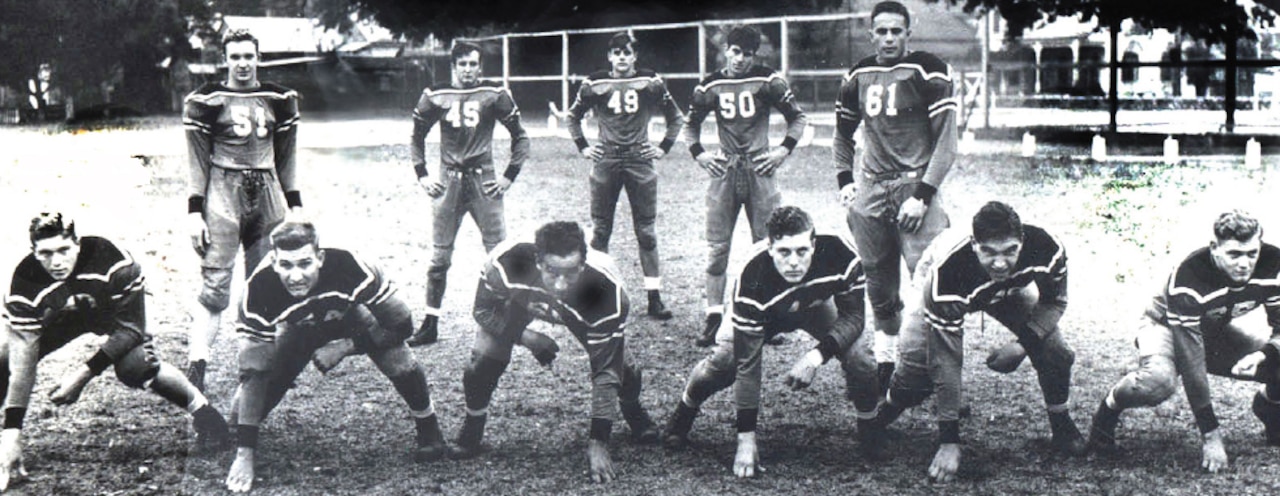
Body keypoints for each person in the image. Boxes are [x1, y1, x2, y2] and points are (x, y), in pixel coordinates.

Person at [0, 213, 230, 490]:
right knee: (5, 359)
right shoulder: (25, 281)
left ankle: (205, 414)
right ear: (34, 253)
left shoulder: (114, 263)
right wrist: (13, 430)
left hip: (116, 313)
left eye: (63, 250)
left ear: (77, 243)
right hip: (64, 315)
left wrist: (84, 373)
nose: (57, 261)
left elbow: (131, 329)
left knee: (137, 366)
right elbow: (22, 361)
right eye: (46, 254)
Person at [224, 221, 446, 493]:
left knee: (397, 358)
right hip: (298, 327)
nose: (295, 276)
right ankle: (247, 442)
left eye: (304, 264)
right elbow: (254, 373)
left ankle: (428, 425)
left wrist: (346, 346)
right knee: (238, 418)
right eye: (286, 265)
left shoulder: (352, 268)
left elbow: (401, 326)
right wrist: (245, 455)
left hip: (350, 318)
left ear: (320, 258)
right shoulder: (257, 292)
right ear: (273, 261)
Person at [873, 201, 1085, 483]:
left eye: (1010, 250)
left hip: (1007, 290)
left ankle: (1061, 424)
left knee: (1055, 351)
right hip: (953, 284)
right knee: (917, 375)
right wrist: (949, 441)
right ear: (974, 244)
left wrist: (1023, 344)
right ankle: (880, 416)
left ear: (1022, 241)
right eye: (989, 251)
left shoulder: (1046, 249)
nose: (1000, 262)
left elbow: (1054, 301)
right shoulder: (948, 274)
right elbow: (946, 359)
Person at [662, 206, 881, 477]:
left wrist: (815, 357)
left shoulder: (841, 254)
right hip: (766, 313)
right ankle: (685, 410)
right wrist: (745, 439)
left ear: (814, 244)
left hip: (814, 306)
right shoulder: (753, 277)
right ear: (769, 248)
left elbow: (854, 317)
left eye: (802, 251)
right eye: (784, 252)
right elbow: (748, 366)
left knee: (860, 356)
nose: (793, 262)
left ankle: (870, 427)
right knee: (725, 361)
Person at [447, 221, 658, 484]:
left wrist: (598, 441)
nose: (560, 283)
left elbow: (605, 371)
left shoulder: (606, 291)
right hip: (522, 302)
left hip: (581, 309)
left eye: (571, 273)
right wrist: (525, 336)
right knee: (483, 360)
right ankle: (473, 426)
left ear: (583, 264)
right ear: (537, 261)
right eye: (551, 271)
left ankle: (632, 408)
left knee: (622, 370)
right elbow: (483, 311)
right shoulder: (504, 263)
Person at [1088, 210, 1280, 473]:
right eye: (1234, 254)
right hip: (1164, 326)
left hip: (1214, 329)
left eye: (1251, 254)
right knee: (1158, 382)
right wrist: (1210, 435)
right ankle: (1109, 408)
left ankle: (1269, 405)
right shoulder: (1190, 276)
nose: (1244, 264)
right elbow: (1192, 362)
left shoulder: (1272, 263)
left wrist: (1263, 355)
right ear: (1214, 247)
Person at [833, 0, 958, 390]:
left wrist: (922, 195)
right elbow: (841, 134)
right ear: (872, 34)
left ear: (908, 32)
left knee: (933, 288)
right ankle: (886, 367)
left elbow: (946, 143)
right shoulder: (858, 73)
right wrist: (845, 182)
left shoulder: (928, 69)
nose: (888, 38)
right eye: (881, 31)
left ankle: (938, 376)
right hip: (871, 190)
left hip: (914, 187)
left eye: (896, 31)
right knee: (879, 289)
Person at [183, 29, 304, 391]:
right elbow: (197, 161)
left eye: (248, 56)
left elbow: (287, 155)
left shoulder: (278, 97)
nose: (242, 64)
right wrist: (194, 211)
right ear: (226, 59)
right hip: (223, 190)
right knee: (215, 286)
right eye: (235, 57)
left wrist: (295, 205)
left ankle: (259, 364)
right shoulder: (208, 98)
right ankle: (198, 363)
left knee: (265, 282)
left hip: (267, 191)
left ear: (258, 58)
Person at [684, 25, 808, 347]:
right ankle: (713, 317)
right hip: (725, 169)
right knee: (717, 250)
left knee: (766, 245)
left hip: (759, 168)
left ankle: (767, 316)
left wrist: (782, 151)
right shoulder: (710, 84)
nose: (740, 59)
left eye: (748, 54)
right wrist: (699, 155)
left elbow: (798, 117)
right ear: (727, 50)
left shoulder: (768, 80)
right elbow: (691, 125)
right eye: (736, 51)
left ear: (756, 56)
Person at [406, 41, 531, 346]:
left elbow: (521, 137)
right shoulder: (436, 95)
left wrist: (507, 177)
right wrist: (422, 175)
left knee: (499, 253)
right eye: (463, 64)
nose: (468, 70)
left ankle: (506, 318)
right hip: (448, 182)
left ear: (480, 66)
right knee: (439, 258)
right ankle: (430, 323)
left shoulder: (494, 94)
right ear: (453, 66)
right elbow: (416, 137)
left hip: (482, 181)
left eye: (474, 64)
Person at [566, 31, 685, 321]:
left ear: (635, 56)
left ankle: (654, 298)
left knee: (646, 231)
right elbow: (572, 116)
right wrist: (583, 147)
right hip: (606, 158)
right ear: (609, 56)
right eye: (616, 52)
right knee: (601, 231)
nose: (621, 58)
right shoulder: (595, 82)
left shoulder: (650, 81)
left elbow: (676, 117)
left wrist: (663, 148)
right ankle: (593, 295)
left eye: (626, 52)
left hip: (638, 159)